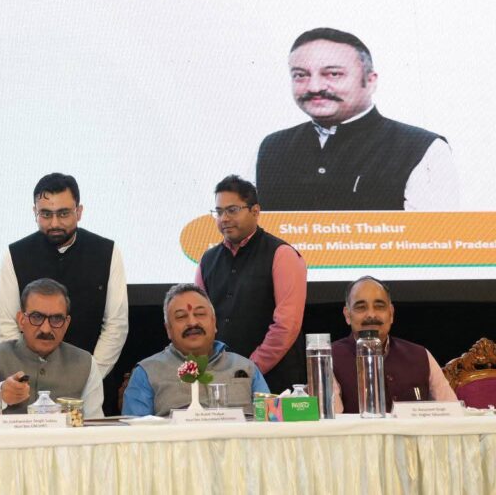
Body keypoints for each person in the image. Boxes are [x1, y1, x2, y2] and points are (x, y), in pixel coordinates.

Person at [256, 27, 458, 211]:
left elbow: (434, 237)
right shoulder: (271, 147)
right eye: (300, 75)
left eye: (333, 74)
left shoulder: (422, 149)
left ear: (370, 81)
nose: (314, 87)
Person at [0, 173, 128, 378]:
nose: (55, 223)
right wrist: (27, 376)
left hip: (92, 379)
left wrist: (90, 376)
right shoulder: (15, 254)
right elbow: (7, 325)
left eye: (64, 213)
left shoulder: (107, 252)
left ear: (79, 211)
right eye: (46, 214)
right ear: (35, 212)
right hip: (29, 382)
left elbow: (116, 324)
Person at [196, 175, 307, 393]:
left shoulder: (281, 254)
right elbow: (200, 320)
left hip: (276, 384)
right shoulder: (207, 261)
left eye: (232, 210)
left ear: (255, 211)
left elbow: (287, 325)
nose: (224, 218)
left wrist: (248, 370)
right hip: (221, 383)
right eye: (219, 212)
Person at [123, 283, 268, 416]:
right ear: (168, 329)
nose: (192, 323)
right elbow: (134, 433)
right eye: (181, 316)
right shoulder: (147, 373)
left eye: (200, 314)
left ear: (214, 322)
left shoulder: (246, 368)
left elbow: (270, 423)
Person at [0, 278, 104, 419]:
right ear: (21, 320)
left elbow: (96, 423)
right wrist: (1, 394)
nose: (46, 329)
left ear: (66, 324)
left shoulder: (86, 363)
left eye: (56, 319)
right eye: (37, 317)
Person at [331, 276, 457, 413]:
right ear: (347, 315)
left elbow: (453, 412)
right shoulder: (328, 359)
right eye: (361, 307)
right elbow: (330, 421)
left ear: (391, 314)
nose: (371, 315)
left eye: (379, 306)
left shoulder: (421, 355)